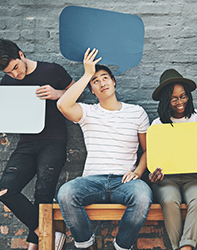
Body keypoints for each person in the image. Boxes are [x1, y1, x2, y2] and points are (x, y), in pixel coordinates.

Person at [56, 48, 152, 250]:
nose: (102, 83)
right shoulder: (88, 112)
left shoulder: (137, 112)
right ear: (91, 89)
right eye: (96, 81)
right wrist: (87, 74)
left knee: (143, 196)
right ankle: (86, 244)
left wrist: (137, 172)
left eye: (105, 78)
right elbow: (63, 104)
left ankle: (122, 246)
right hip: (92, 180)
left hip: (124, 181)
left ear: (114, 81)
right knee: (65, 193)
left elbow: (148, 150)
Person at [0, 39, 74, 250]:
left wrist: (57, 94)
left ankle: (34, 246)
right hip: (26, 142)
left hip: (54, 140)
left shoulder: (52, 70)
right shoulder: (6, 83)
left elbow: (78, 92)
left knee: (43, 195)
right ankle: (47, 234)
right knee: (5, 191)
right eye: (9, 73)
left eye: (16, 68)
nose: (15, 75)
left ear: (21, 54)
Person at [148, 69, 197, 250]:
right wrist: (154, 175)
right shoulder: (158, 125)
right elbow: (154, 159)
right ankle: (178, 247)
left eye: (183, 96)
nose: (179, 102)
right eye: (174, 98)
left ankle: (186, 247)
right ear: (166, 100)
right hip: (167, 179)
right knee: (169, 200)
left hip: (195, 177)